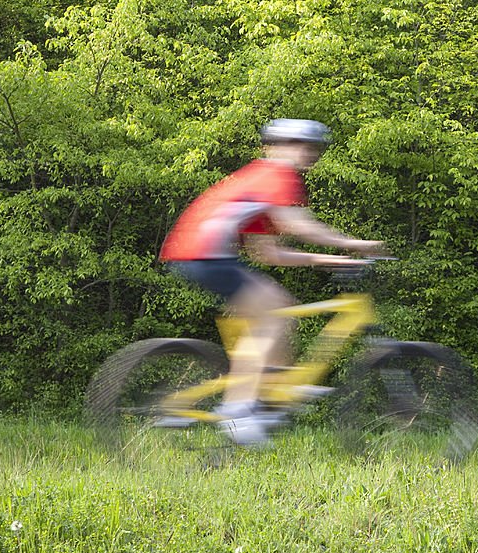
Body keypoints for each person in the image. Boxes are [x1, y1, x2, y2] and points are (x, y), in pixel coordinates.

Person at [158, 119, 385, 445]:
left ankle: (270, 392)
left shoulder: (255, 181)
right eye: (297, 144)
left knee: (279, 307)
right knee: (273, 311)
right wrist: (353, 244)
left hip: (192, 254)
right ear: (273, 147)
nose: (307, 152)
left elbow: (268, 253)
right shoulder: (277, 174)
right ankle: (238, 408)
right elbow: (298, 226)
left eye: (313, 147)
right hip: (204, 253)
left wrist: (329, 260)